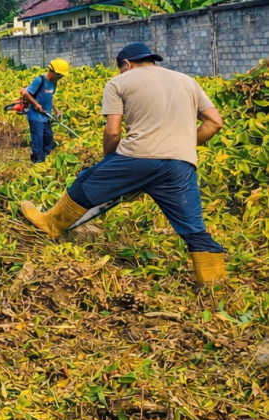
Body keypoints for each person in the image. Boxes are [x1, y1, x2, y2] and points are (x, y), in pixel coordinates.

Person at [19, 43, 226, 287]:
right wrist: (181, 147)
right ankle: (214, 286)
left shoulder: (119, 82)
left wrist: (108, 159)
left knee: (85, 182)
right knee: (194, 229)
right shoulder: (187, 81)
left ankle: (50, 223)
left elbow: (113, 131)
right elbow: (215, 122)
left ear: (126, 64)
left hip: (136, 157)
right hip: (180, 164)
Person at [21, 58, 68, 163]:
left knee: (48, 138)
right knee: (38, 140)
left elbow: (49, 97)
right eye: (60, 75)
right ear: (53, 72)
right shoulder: (40, 80)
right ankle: (38, 162)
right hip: (35, 116)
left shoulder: (54, 83)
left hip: (46, 116)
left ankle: (46, 160)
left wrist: (56, 110)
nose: (61, 78)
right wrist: (36, 104)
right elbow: (26, 94)